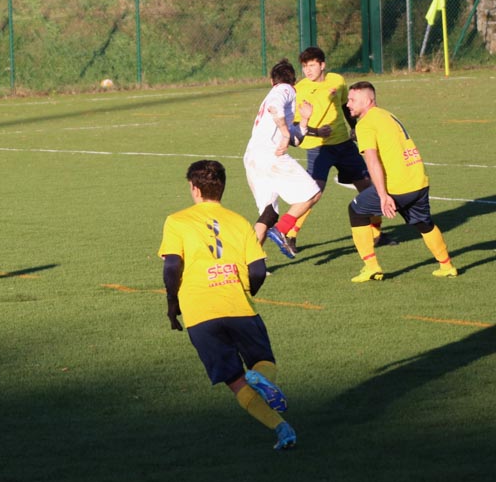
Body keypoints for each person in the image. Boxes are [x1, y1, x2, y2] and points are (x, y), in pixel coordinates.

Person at [158, 159, 296, 451]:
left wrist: (172, 304)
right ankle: (262, 380)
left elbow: (171, 266)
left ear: (195, 189)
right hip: (239, 307)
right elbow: (258, 270)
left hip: (199, 314)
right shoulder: (239, 221)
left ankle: (281, 428)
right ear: (221, 188)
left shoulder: (177, 220)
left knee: (235, 381)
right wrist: (243, 292)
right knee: (264, 363)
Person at [345, 81, 457, 282]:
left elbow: (372, 161)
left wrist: (383, 195)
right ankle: (447, 266)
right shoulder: (387, 115)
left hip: (398, 185)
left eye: (352, 100)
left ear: (368, 100)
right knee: (423, 223)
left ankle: (371, 266)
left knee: (356, 210)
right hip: (418, 179)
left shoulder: (365, 123)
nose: (348, 104)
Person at [288, 46, 392, 251]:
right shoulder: (299, 90)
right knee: (313, 192)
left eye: (311, 65)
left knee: (369, 186)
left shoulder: (337, 80)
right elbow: (296, 125)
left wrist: (356, 128)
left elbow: (346, 106)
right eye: (305, 66)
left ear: (322, 65)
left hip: (344, 145)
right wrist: (317, 132)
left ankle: (377, 234)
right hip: (319, 148)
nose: (307, 70)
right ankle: (290, 234)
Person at [243, 58, 321, 259]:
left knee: (269, 214)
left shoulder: (278, 95)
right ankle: (282, 230)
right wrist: (285, 134)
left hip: (253, 157)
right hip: (270, 156)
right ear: (294, 81)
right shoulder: (285, 89)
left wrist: (304, 120)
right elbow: (275, 108)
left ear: (271, 80)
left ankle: (249, 264)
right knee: (313, 194)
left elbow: (296, 139)